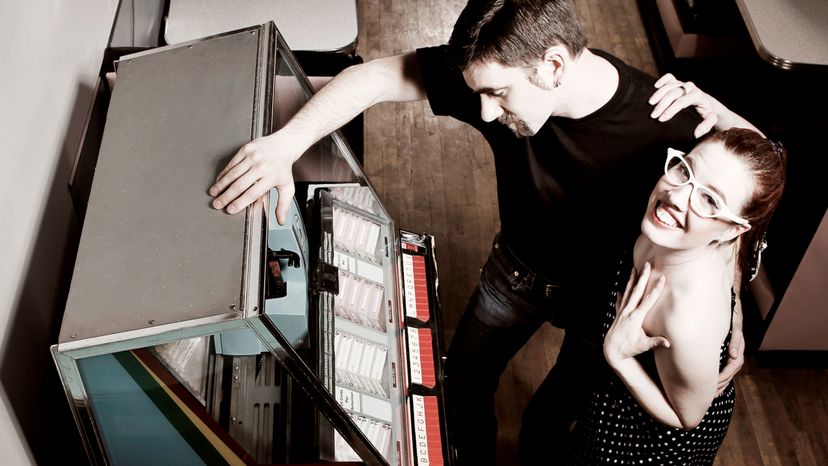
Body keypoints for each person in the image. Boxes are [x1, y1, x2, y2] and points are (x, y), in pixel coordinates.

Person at [208, 1, 755, 463]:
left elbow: (754, 189)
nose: (486, 114)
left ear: (554, 64)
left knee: (558, 406)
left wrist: (730, 296)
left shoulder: (670, 121)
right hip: (513, 272)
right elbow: (373, 77)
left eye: (499, 94)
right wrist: (283, 145)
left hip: (607, 299)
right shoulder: (490, 73)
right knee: (463, 384)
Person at [556, 128, 786, 465]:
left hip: (648, 436)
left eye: (710, 200)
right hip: (619, 387)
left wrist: (618, 356)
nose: (677, 196)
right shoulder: (714, 232)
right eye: (685, 169)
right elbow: (760, 155)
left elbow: (687, 418)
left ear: (732, 229)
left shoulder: (687, 319)